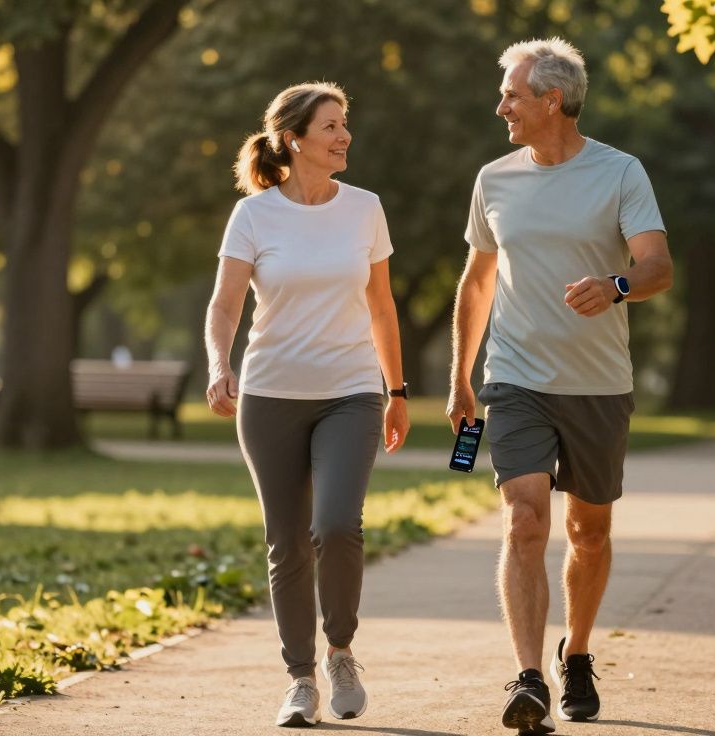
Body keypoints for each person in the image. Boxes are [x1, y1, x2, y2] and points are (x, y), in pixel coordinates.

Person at [447, 38, 673, 733]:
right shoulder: (495, 179)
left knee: (589, 531)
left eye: (512, 95)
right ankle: (529, 677)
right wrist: (461, 377)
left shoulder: (620, 173)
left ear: (554, 100)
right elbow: (479, 280)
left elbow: (658, 267)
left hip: (598, 383)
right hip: (514, 377)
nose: (500, 107)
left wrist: (615, 286)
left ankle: (575, 651)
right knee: (524, 520)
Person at [203, 81, 410, 728]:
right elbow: (226, 304)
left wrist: (397, 391)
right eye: (331, 126)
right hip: (269, 396)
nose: (344, 135)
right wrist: (219, 364)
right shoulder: (255, 215)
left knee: (338, 526)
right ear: (294, 139)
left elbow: (381, 305)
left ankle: (340, 652)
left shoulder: (366, 208)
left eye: (345, 123)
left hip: (351, 392)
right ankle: (300, 679)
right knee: (287, 541)